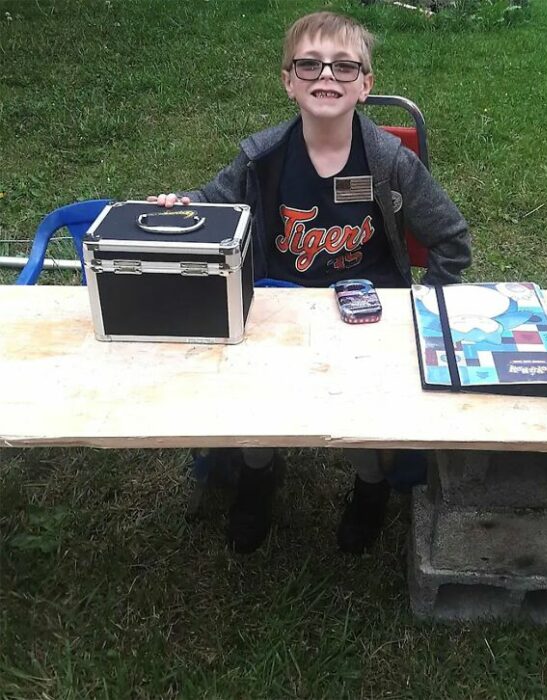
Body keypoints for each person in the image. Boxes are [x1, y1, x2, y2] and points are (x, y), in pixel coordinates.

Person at [149, 11, 471, 555]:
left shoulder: (391, 161)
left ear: (366, 85)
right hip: (280, 306)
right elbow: (212, 201)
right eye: (310, 64)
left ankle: (369, 484)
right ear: (289, 81)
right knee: (255, 392)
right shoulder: (263, 158)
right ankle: (258, 471)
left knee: (360, 408)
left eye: (345, 66)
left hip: (370, 310)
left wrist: (421, 308)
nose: (327, 75)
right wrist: (180, 206)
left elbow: (452, 239)